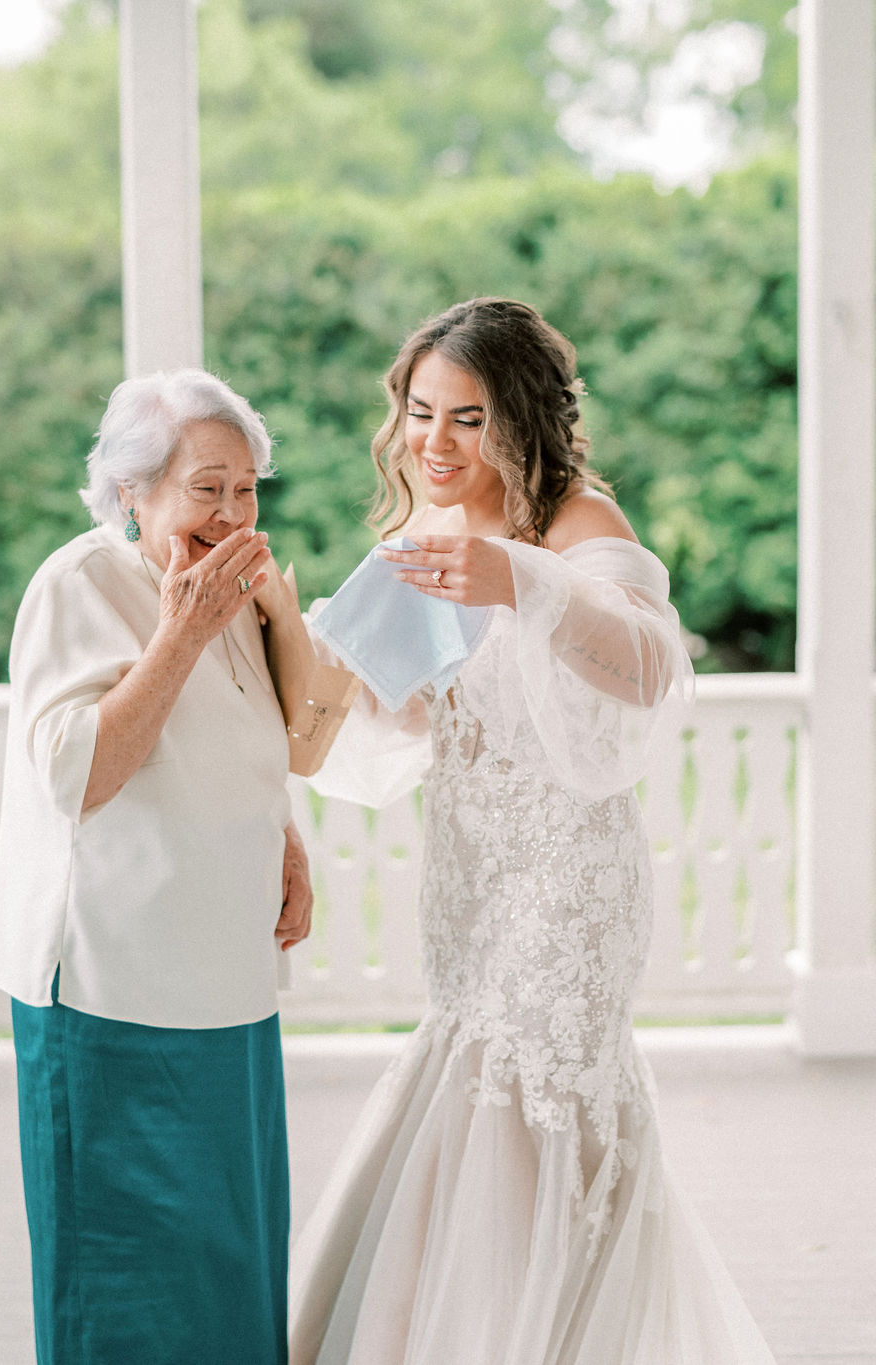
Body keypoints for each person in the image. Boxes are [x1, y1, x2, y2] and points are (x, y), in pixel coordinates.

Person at [289, 298, 776, 1363]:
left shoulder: (579, 524)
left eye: (467, 418)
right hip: (472, 874)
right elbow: (404, 714)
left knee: (531, 1101)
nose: (433, 442)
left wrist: (523, 583)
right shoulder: (424, 537)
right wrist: (313, 646)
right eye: (420, 413)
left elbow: (647, 668)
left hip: (569, 883)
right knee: (467, 1090)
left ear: (521, 419)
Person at [0, 368, 313, 1365]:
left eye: (246, 488)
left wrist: (285, 840)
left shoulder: (244, 592)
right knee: (123, 1283)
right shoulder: (78, 585)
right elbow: (80, 775)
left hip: (227, 984)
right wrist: (181, 631)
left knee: (229, 1262)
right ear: (133, 489)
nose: (231, 511)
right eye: (205, 487)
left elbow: (242, 745)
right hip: (109, 993)